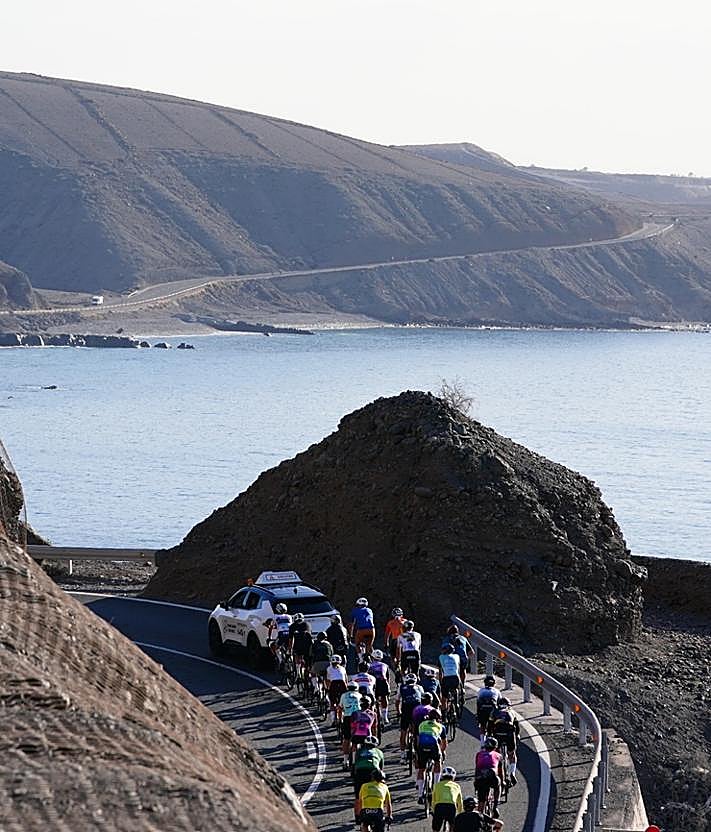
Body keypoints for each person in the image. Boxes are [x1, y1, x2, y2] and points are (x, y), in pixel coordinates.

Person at [352, 736, 385, 824]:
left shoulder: (359, 751)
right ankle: (379, 811)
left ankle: (358, 817)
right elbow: (381, 769)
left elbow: (355, 765)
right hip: (373, 772)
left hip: (360, 772)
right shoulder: (379, 752)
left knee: (358, 797)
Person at [487, 698, 520, 786]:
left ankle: (497, 770)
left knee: (497, 754)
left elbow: (489, 726)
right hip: (509, 734)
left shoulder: (494, 711)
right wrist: (517, 735)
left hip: (497, 733)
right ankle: (512, 773)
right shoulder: (511, 711)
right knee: (512, 754)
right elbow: (516, 726)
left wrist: (489, 736)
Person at [416, 710, 447, 804]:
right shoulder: (441, 726)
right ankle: (436, 787)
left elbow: (418, 739)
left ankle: (420, 794)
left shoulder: (421, 724)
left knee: (421, 769)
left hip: (422, 746)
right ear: (438, 718)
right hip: (433, 746)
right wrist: (442, 753)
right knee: (438, 763)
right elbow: (444, 743)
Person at [397, 672, 424, 762]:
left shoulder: (401, 687)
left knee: (403, 733)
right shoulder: (419, 687)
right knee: (417, 733)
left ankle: (402, 755)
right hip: (417, 710)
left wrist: (399, 712)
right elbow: (423, 700)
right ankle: (418, 752)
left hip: (406, 710)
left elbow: (397, 702)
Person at [475, 737, 504, 819]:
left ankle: (480, 816)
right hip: (492, 776)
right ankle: (495, 806)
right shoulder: (498, 755)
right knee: (498, 785)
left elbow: (477, 768)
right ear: (495, 747)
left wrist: (475, 781)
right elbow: (501, 772)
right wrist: (502, 782)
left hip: (480, 777)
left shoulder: (479, 754)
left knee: (481, 800)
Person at [431, 766, 464, 831]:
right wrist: (460, 813)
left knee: (436, 828)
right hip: (451, 807)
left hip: (439, 806)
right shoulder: (457, 786)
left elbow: (433, 800)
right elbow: (460, 802)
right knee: (453, 826)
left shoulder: (437, 785)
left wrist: (433, 810)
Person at [339, 681, 363, 768]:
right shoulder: (360, 695)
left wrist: (340, 719)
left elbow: (340, 708)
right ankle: (353, 761)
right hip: (357, 718)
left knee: (346, 739)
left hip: (347, 718)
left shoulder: (343, 695)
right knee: (355, 741)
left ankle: (345, 761)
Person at [368, 649, 391, 725]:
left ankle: (377, 715)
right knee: (384, 698)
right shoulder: (385, 665)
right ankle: (385, 716)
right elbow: (388, 677)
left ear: (372, 657)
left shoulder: (369, 665)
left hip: (374, 682)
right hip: (383, 682)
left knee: (375, 699)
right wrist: (389, 687)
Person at [476, 675, 500, 744]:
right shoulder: (497, 691)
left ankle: (482, 742)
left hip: (483, 711)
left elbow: (478, 703)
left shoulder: (481, 691)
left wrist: (478, 714)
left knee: (483, 726)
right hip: (492, 711)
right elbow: (500, 703)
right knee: (494, 725)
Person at [438, 643, 461, 711]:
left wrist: (440, 682)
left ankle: (444, 715)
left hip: (446, 678)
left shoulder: (441, 657)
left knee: (444, 697)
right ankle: (456, 703)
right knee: (455, 689)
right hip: (455, 677)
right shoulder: (457, 656)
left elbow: (440, 672)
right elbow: (458, 669)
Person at [326, 655, 348, 725]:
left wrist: (328, 689)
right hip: (342, 685)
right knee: (342, 703)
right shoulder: (343, 668)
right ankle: (341, 718)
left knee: (332, 703)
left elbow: (328, 680)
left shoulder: (329, 668)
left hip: (333, 685)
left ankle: (333, 720)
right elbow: (346, 680)